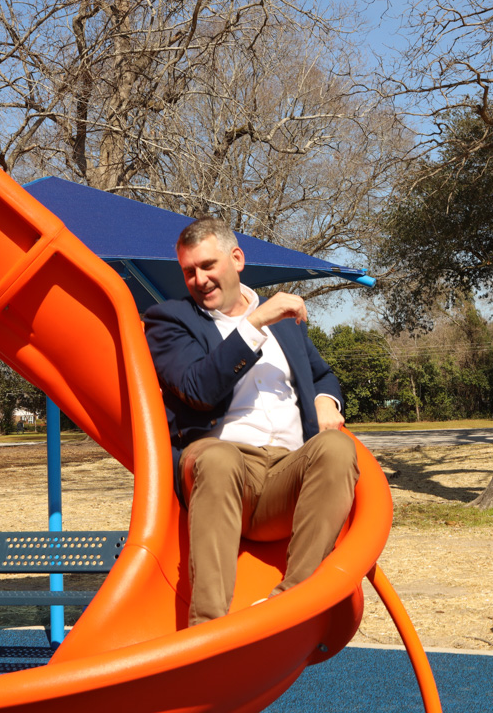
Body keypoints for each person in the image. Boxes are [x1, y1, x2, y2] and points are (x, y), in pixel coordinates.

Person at [144, 216, 359, 627]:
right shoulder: (170, 320)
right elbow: (198, 389)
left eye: (208, 266)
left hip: (287, 476)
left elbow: (321, 375)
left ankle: (293, 601)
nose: (199, 279)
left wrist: (327, 402)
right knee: (219, 460)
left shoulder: (287, 326)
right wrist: (255, 324)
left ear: (236, 259)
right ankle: (207, 628)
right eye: (189, 271)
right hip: (222, 470)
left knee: (337, 448)